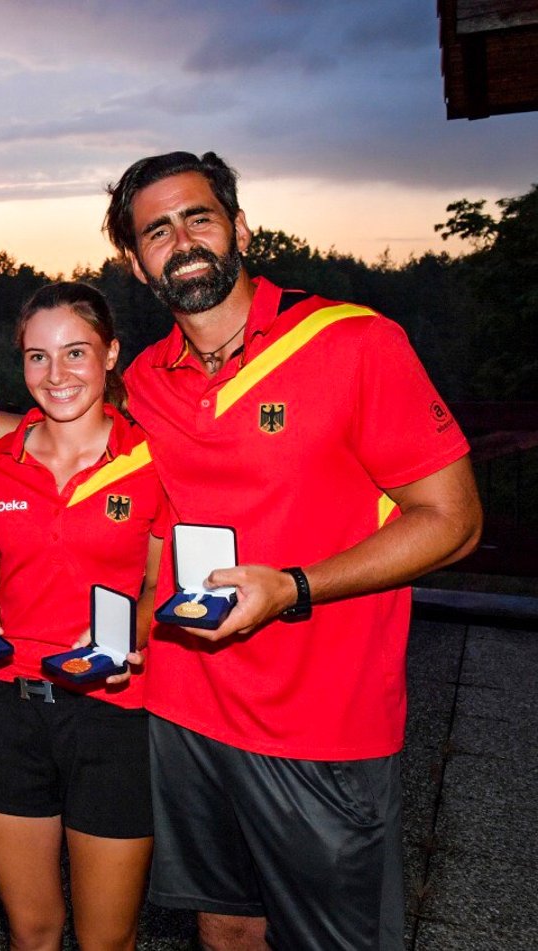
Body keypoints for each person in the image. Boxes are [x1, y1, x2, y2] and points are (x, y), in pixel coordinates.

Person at [104, 151, 482, 950]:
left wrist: (294, 587)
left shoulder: (353, 342)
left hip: (321, 723)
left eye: (199, 216)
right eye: (157, 230)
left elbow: (452, 519)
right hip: (187, 711)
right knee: (227, 927)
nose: (183, 240)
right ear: (138, 265)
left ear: (240, 227)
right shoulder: (144, 380)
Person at [0, 281, 163, 950]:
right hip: (9, 711)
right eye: (38, 357)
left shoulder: (150, 460)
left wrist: (128, 632)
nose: (57, 375)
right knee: (34, 931)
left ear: (110, 354)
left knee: (107, 939)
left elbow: (161, 585)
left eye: (76, 353)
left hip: (114, 710)